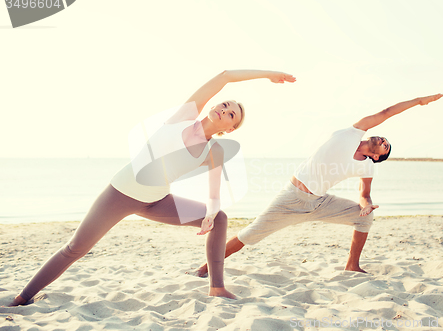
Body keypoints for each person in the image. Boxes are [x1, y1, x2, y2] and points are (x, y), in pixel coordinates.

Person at [9, 69, 296, 306]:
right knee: (75, 248)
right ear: (212, 106)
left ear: (230, 130)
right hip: (120, 193)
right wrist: (267, 75)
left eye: (232, 114)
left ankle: (216, 287)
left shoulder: (214, 151)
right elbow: (224, 76)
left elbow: (213, 192)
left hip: (156, 202)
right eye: (224, 105)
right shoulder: (182, 118)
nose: (224, 109)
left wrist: (210, 211)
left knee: (219, 218)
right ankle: (23, 298)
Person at [195, 93, 443, 277]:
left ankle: (352, 265)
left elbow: (364, 194)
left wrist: (366, 206)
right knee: (249, 234)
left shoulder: (367, 168)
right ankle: (206, 267)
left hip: (319, 202)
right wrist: (419, 101)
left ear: (377, 156)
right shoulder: (354, 131)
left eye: (385, 146)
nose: (382, 140)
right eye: (383, 139)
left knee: (364, 219)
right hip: (292, 198)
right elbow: (387, 112)